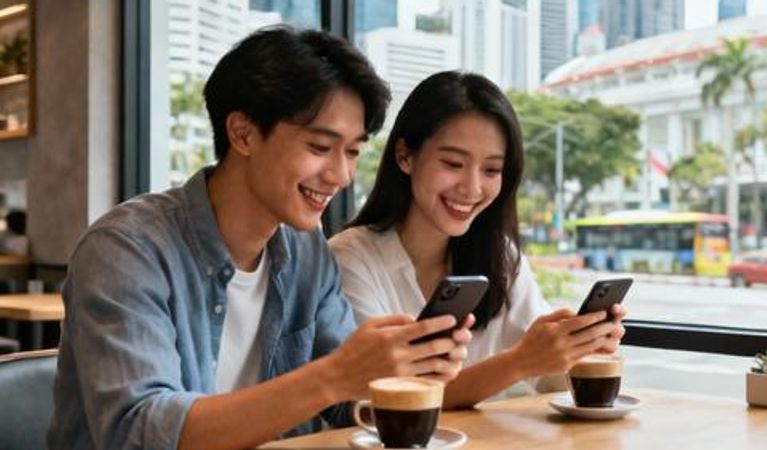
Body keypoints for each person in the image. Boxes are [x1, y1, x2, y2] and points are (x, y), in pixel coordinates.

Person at [48, 28, 473, 450]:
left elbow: (348, 401)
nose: (341, 176)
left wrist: (405, 371)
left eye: (353, 152)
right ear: (243, 134)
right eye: (321, 146)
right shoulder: (126, 250)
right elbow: (140, 432)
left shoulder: (307, 251)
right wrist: (333, 376)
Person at [329, 71, 625, 409]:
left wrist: (578, 352)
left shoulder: (500, 255)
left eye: (491, 170)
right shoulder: (350, 258)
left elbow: (546, 378)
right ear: (405, 156)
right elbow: (382, 402)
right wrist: (521, 361)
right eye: (453, 163)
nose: (472, 188)